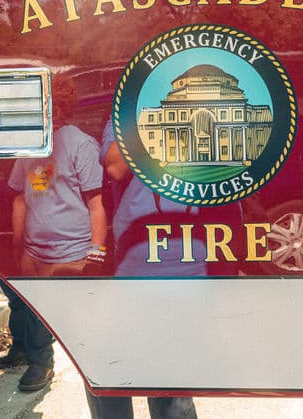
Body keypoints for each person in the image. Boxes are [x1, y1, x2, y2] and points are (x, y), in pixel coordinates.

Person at [83, 121, 202, 419]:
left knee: (170, 382)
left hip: (189, 261)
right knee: (106, 365)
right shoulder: (126, 112)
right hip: (136, 263)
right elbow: (116, 167)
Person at [0, 76, 107, 393]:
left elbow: (96, 203)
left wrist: (95, 253)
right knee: (33, 310)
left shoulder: (81, 144)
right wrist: (20, 248)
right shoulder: (30, 143)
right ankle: (40, 363)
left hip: (73, 253)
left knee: (79, 319)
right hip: (35, 250)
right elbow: (19, 197)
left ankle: (97, 369)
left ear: (60, 106)